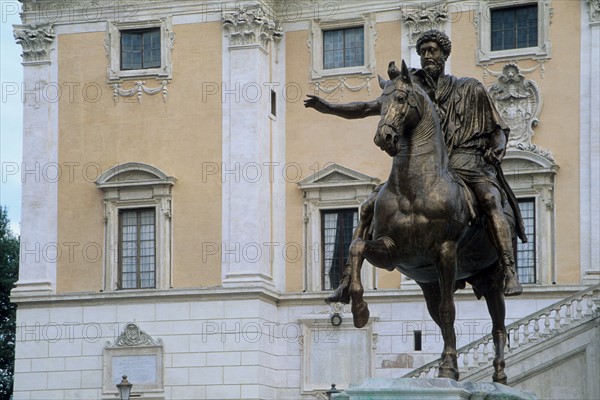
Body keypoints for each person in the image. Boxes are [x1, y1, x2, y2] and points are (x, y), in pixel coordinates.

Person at [304, 29, 525, 296]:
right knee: (371, 203)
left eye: (433, 51)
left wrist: (498, 149)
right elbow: (366, 107)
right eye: (423, 52)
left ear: (444, 54)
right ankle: (347, 279)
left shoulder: (470, 88)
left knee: (490, 199)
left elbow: (498, 128)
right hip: (427, 166)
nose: (427, 56)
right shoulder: (410, 89)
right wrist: (329, 108)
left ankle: (509, 269)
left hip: (467, 161)